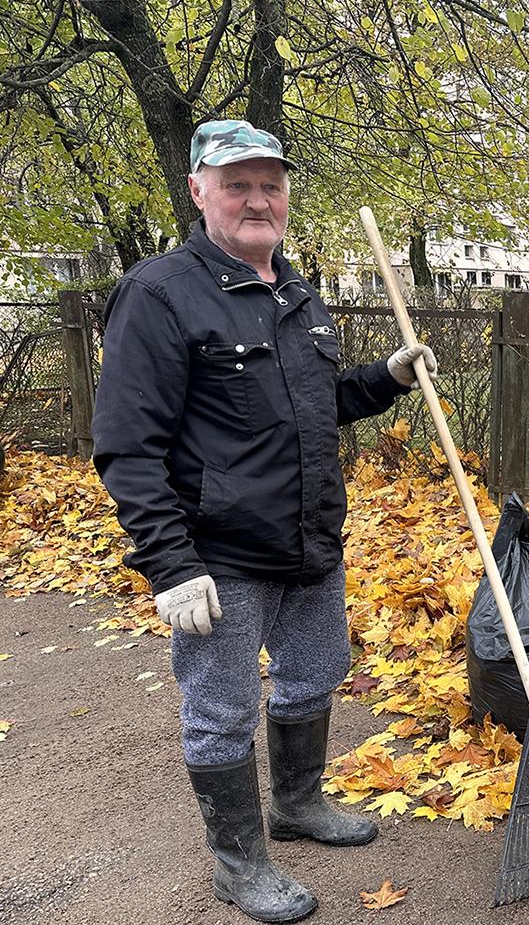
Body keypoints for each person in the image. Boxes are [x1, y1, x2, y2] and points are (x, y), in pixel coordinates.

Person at [92, 120, 436, 924]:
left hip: (312, 543)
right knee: (221, 709)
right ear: (199, 190)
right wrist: (171, 565)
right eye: (237, 183)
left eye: (270, 184)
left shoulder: (298, 295)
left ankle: (298, 802)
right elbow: (127, 445)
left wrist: (383, 378)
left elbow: (318, 408)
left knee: (316, 672)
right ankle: (237, 864)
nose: (257, 199)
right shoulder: (160, 293)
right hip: (221, 556)